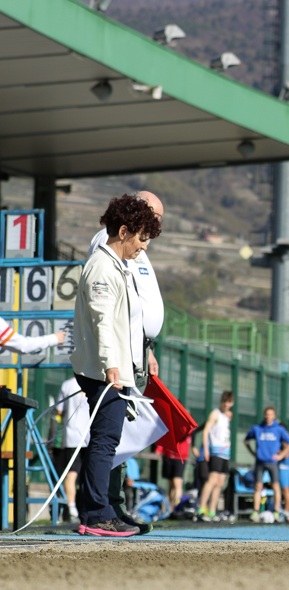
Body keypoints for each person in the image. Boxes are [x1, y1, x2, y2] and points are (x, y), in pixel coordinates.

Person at [72, 194, 161, 536]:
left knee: (106, 440)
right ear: (123, 232)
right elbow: (102, 321)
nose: (144, 247)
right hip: (105, 370)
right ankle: (98, 514)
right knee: (105, 441)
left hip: (114, 368)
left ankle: (99, 512)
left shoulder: (115, 264)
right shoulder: (102, 266)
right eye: (141, 238)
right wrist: (112, 365)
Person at [244, 406, 289, 521]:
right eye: (266, 414)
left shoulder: (279, 429)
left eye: (270, 414)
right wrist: (253, 453)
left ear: (274, 416)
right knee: (258, 486)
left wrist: (280, 455)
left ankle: (276, 511)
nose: (268, 416)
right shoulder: (257, 428)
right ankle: (256, 511)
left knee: (276, 487)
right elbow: (246, 441)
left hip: (272, 463)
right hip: (260, 462)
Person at [53, 374, 86, 522]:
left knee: (71, 474)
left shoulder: (68, 384)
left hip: (73, 436)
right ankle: (85, 508)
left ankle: (72, 509)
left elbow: (59, 410)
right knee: (89, 473)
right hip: (91, 436)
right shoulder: (96, 380)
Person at [197, 391, 234, 521]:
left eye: (228, 402)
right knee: (212, 480)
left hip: (225, 453)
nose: (226, 404)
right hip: (216, 451)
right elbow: (206, 430)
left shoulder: (226, 416)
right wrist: (206, 449)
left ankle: (212, 510)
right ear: (221, 401)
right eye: (224, 401)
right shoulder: (215, 414)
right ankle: (201, 508)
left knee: (220, 483)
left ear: (232, 403)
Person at [277, 422, 289, 514]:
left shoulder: (285, 440)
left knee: (285, 490)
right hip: (285, 467)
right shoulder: (287, 438)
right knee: (282, 490)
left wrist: (278, 453)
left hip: (284, 468)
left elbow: (286, 455)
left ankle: (286, 511)